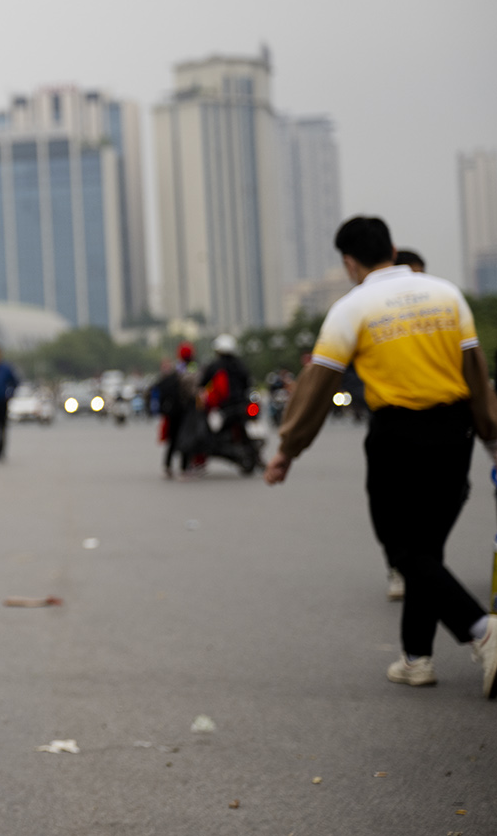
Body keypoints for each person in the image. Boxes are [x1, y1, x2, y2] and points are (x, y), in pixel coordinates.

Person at [266, 216, 497, 697]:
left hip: (399, 437)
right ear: (392, 247)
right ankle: (417, 658)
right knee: (426, 550)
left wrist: (287, 450)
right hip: (453, 434)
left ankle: (482, 630)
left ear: (349, 262)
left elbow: (317, 389)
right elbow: (476, 376)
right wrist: (490, 437)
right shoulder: (447, 295)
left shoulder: (353, 308)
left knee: (403, 550)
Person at [153, 343, 198, 478]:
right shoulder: (191, 368)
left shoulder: (175, 369)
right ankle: (184, 467)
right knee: (186, 438)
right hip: (185, 410)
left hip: (172, 410)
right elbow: (193, 390)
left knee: (172, 439)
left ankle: (168, 465)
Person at [198, 334, 252, 441]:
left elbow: (203, 383)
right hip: (241, 403)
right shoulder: (240, 365)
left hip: (223, 405)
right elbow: (247, 383)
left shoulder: (215, 365)